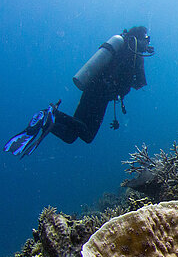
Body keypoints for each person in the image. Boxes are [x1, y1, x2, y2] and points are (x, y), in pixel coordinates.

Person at [4, 26, 154, 158]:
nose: (148, 42)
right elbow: (140, 83)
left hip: (91, 90)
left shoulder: (122, 47)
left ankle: (47, 117)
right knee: (87, 135)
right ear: (139, 38)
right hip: (101, 96)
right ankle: (53, 114)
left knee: (70, 136)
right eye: (146, 39)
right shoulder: (133, 54)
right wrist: (142, 57)